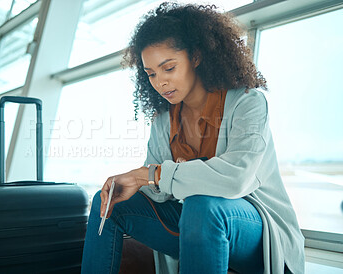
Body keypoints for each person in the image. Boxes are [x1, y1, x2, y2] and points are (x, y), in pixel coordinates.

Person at [81, 2, 305, 274]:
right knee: (110, 202)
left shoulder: (248, 102)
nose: (159, 82)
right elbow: (158, 189)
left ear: (196, 57)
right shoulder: (164, 118)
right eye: (151, 73)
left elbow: (235, 179)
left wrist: (148, 175)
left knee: (202, 204)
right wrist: (139, 184)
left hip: (257, 231)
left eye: (169, 68)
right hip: (197, 225)